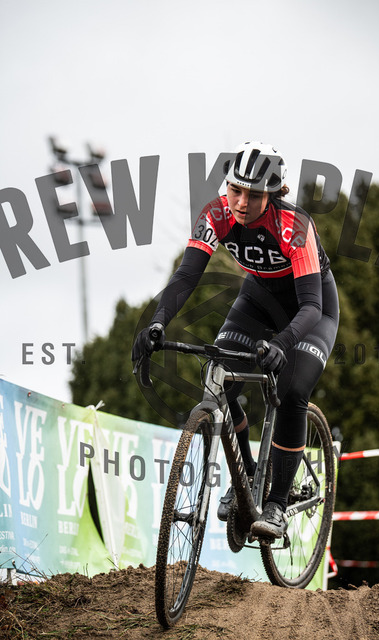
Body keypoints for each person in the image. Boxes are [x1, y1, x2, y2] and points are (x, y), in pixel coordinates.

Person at [132, 141, 339, 539]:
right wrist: (157, 323)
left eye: (254, 194)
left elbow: (311, 305)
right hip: (257, 298)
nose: (242, 202)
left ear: (273, 194)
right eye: (235, 189)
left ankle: (276, 503)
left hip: (310, 310)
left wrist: (283, 343)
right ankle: (245, 475)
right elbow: (186, 275)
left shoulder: (294, 225)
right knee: (219, 379)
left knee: (292, 391)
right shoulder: (217, 213)